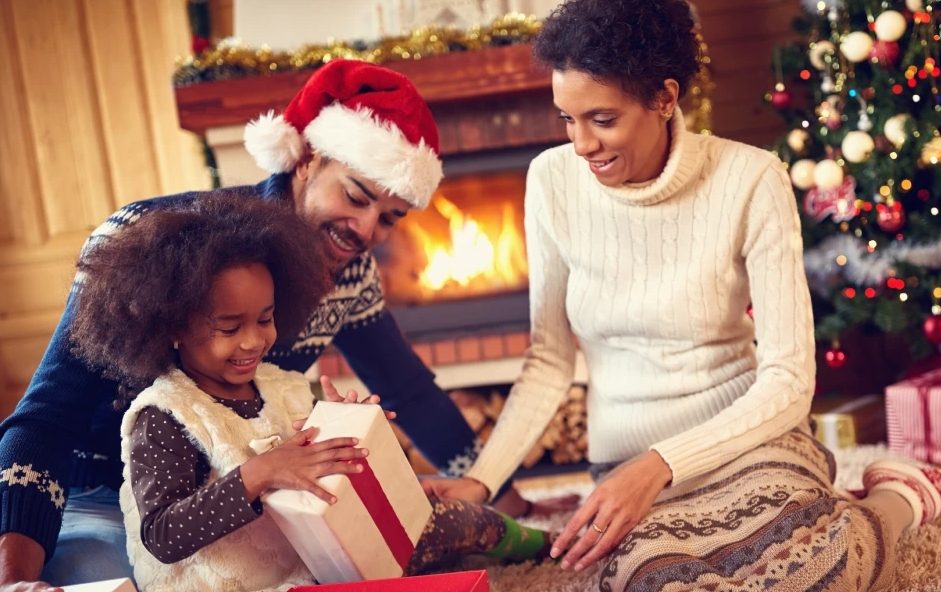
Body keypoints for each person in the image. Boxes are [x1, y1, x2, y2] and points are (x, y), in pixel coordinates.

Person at [424, 1, 941, 590]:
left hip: (746, 443)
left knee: (822, 568)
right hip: (623, 469)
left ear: (665, 98)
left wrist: (662, 463)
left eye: (603, 119)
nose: (582, 143)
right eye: (567, 118)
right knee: (650, 582)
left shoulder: (751, 179)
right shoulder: (551, 181)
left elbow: (790, 380)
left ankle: (901, 496)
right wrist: (482, 481)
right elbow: (549, 361)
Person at [0, 59, 568, 590]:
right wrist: (15, 570)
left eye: (390, 218)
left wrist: (503, 494)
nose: (368, 230)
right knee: (107, 575)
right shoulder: (144, 236)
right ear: (306, 159)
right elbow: (47, 417)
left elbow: (409, 391)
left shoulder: (348, 274)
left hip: (249, 503)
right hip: (106, 491)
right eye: (356, 195)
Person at [67, 193, 550, 592]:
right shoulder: (165, 414)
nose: (254, 340)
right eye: (229, 327)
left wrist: (347, 431)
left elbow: (322, 478)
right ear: (171, 325)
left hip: (310, 569)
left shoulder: (283, 386)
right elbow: (162, 535)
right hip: (228, 587)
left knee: (440, 520)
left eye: (265, 318)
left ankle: (546, 544)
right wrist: (258, 474)